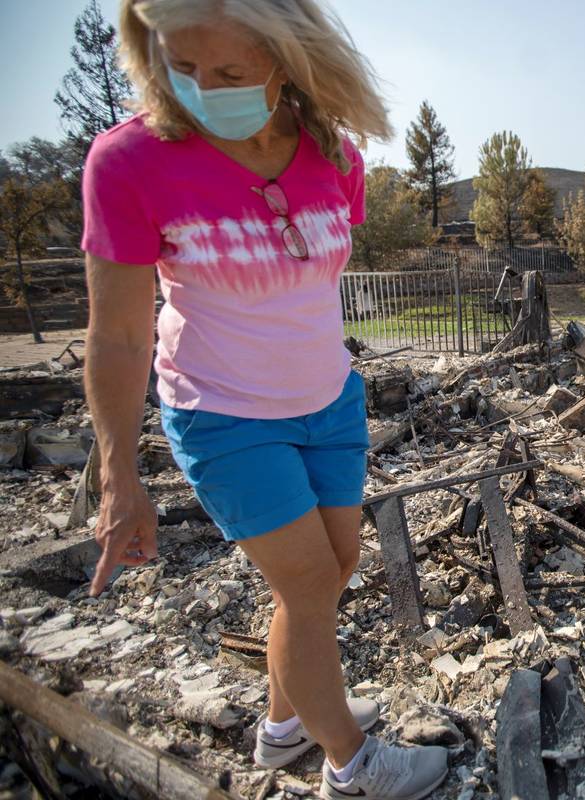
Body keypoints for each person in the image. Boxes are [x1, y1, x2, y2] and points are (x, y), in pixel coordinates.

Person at [82, 2, 447, 798]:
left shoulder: (331, 156)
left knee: (332, 570)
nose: (199, 89)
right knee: (309, 586)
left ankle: (286, 728)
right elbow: (115, 338)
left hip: (328, 402)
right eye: (180, 65)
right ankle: (351, 766)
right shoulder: (128, 162)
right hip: (223, 415)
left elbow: (306, 295)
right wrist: (120, 474)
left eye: (229, 73)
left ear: (288, 62)